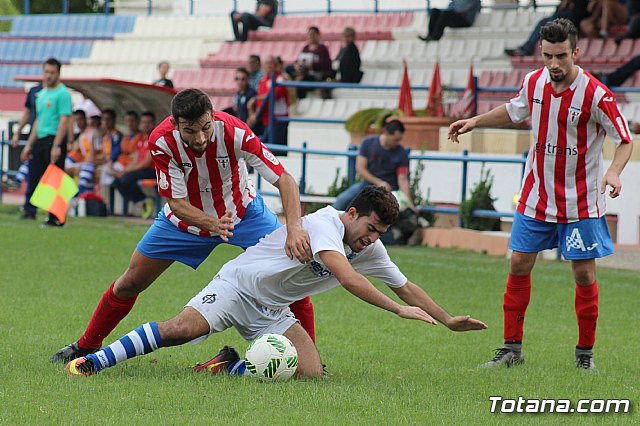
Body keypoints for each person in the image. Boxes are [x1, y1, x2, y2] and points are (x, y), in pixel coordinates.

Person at [65, 186, 488, 378]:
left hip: (271, 311)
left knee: (311, 373)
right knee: (178, 331)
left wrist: (448, 320)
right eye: (371, 228)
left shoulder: (368, 246)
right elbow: (347, 278)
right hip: (237, 286)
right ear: (353, 213)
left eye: (380, 234)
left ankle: (228, 366)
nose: (373, 240)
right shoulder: (325, 224)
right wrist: (397, 310)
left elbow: (407, 285)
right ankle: (95, 362)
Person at [50, 88, 316, 364]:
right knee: (129, 282)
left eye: (205, 127)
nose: (200, 138)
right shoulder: (161, 141)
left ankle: (312, 359)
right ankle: (86, 345)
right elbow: (176, 203)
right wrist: (213, 223)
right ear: (175, 124)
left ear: (213, 116)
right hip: (183, 223)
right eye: (190, 131)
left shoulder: (236, 132)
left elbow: (284, 178)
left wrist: (294, 228)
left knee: (292, 274)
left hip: (244, 215)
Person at [447, 19, 633, 371]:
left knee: (583, 273)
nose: (553, 64)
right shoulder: (534, 82)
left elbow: (624, 138)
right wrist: (475, 121)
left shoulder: (596, 94)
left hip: (581, 202)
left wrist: (613, 171)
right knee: (518, 263)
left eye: (561, 56)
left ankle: (585, 357)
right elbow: (514, 110)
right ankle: (511, 350)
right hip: (537, 196)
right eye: (547, 55)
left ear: (575, 52)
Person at [20, 57, 72, 226]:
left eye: (52, 72)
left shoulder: (63, 93)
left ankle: (56, 217)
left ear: (58, 74)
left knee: (55, 179)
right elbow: (38, 121)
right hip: (40, 140)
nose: (48, 76)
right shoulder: (40, 94)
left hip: (54, 139)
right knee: (35, 175)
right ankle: (30, 210)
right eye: (46, 72)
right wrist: (29, 144)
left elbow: (64, 120)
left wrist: (57, 145)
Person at [332, 120, 417, 213]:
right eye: (395, 140)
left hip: (389, 190)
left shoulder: (401, 153)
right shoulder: (368, 143)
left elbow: (402, 179)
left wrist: (409, 202)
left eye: (399, 140)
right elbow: (360, 168)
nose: (398, 143)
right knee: (341, 202)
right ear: (386, 133)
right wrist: (378, 182)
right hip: (367, 185)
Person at [111, 111, 157, 218]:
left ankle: (145, 201)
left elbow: (145, 163)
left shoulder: (154, 138)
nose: (146, 125)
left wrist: (127, 171)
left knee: (126, 179)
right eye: (144, 122)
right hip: (141, 170)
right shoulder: (140, 138)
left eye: (149, 122)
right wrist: (124, 170)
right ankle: (143, 201)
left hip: (153, 171)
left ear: (154, 123)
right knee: (117, 181)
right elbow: (135, 159)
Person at [505, 0, 589, 57]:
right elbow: (558, 11)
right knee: (544, 22)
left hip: (570, 24)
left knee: (546, 22)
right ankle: (526, 48)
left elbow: (576, 15)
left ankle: (527, 48)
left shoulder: (580, 3)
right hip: (562, 22)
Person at [1, 79, 43, 192]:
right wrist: (17, 133)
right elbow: (27, 113)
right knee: (30, 161)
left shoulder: (58, 92)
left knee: (47, 171)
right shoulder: (34, 91)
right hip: (35, 136)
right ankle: (29, 203)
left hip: (50, 137)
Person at [249, 56, 289, 154]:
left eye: (271, 63)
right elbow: (261, 100)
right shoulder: (263, 80)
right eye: (266, 63)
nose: (269, 66)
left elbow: (274, 95)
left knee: (276, 151)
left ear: (275, 65)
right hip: (266, 119)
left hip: (278, 119)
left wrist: (256, 99)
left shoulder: (280, 79)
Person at [285, 27, 333, 99]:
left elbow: (326, 65)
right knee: (288, 68)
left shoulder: (322, 49)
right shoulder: (305, 48)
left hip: (315, 74)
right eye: (309, 34)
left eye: (313, 34)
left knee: (302, 81)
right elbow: (298, 60)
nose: (311, 36)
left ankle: (300, 98)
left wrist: (311, 65)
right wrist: (297, 65)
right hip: (302, 71)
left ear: (318, 35)